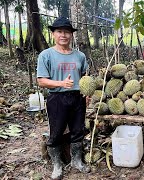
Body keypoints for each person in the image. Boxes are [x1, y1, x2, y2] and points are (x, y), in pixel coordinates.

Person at [37, 17, 90, 179]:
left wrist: (86, 94)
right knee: (56, 132)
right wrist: (61, 83)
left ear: (71, 35)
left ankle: (76, 161)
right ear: (53, 34)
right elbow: (41, 81)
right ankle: (57, 165)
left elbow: (85, 77)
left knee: (77, 131)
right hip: (57, 98)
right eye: (59, 31)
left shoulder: (80, 56)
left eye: (67, 32)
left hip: (77, 98)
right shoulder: (46, 55)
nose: (63, 35)